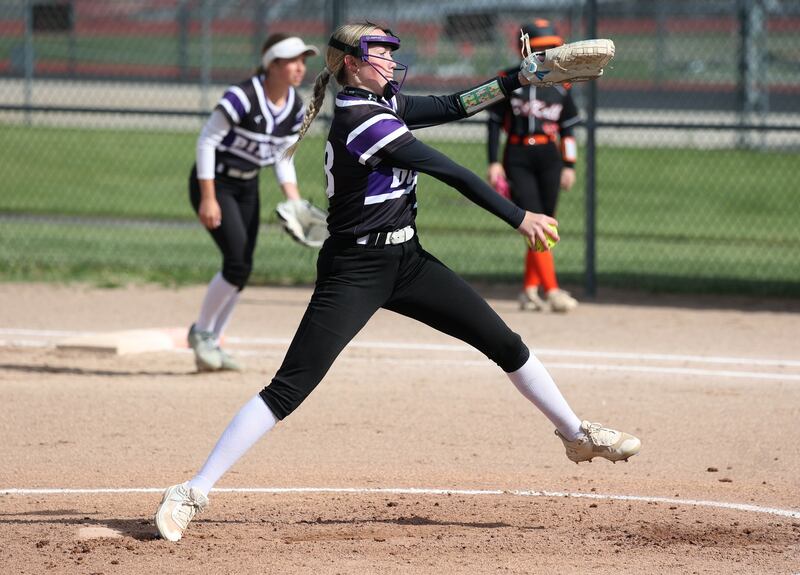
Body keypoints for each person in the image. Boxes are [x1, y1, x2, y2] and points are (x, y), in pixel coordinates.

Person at [155, 22, 639, 542]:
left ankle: (576, 434)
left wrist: (517, 79)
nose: (389, 63)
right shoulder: (362, 119)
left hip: (408, 260)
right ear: (351, 65)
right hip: (354, 271)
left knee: (504, 343)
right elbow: (450, 170)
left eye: (390, 54)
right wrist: (519, 216)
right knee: (290, 387)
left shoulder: (384, 105)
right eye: (379, 56)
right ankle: (191, 490)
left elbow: (456, 105)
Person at [187, 33, 320, 372]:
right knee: (236, 263)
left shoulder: (293, 105)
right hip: (214, 183)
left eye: (304, 61)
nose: (300, 68)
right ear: (272, 64)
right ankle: (201, 333)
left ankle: (213, 344)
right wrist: (208, 197)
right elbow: (207, 141)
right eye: (293, 60)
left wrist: (295, 202)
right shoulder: (243, 96)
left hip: (247, 187)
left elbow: (282, 156)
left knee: (243, 268)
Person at [487, 19, 580, 313]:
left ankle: (529, 290)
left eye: (551, 47)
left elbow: (568, 130)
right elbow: (492, 124)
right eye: (540, 48)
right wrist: (493, 162)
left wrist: (569, 164)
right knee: (534, 223)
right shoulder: (508, 78)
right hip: (517, 156)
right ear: (523, 48)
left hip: (549, 158)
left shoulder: (562, 83)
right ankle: (551, 291)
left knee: (545, 224)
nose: (546, 53)